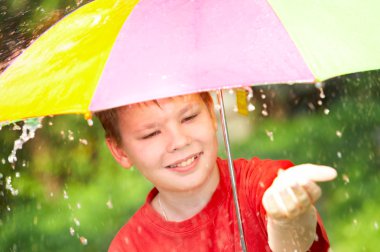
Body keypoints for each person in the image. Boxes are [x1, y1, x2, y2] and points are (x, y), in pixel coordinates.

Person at [95, 92, 336, 252]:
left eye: (189, 117)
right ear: (120, 151)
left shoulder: (261, 184)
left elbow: (296, 245)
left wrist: (286, 220)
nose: (179, 141)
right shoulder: (131, 246)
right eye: (151, 134)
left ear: (211, 113)